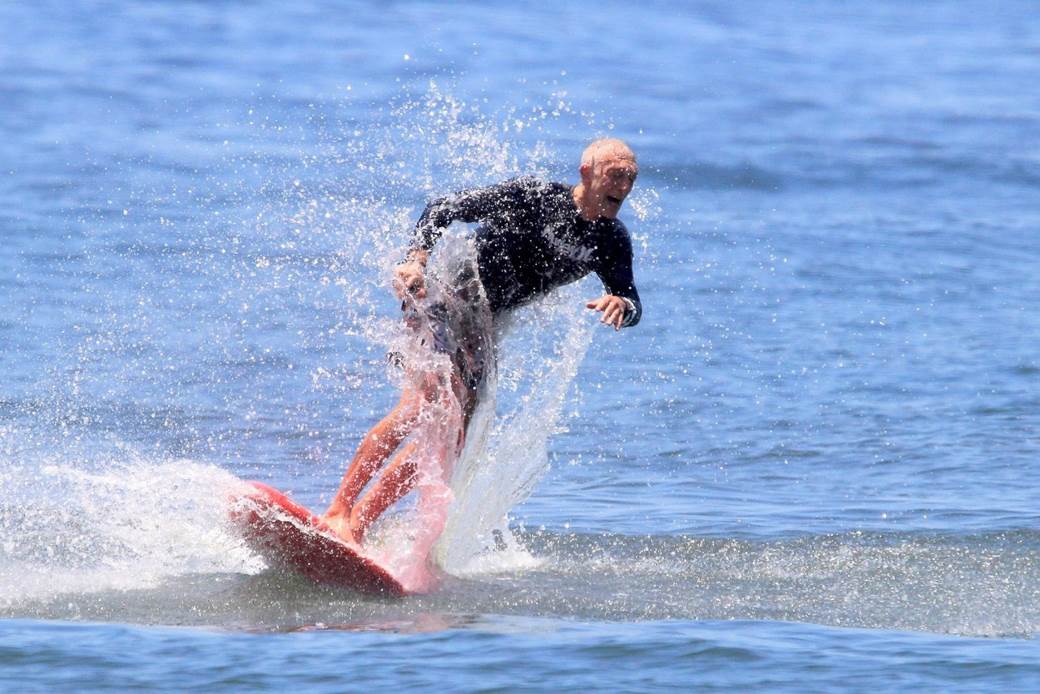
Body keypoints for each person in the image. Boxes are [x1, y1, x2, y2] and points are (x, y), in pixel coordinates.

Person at [322, 138, 642, 544]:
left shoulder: (611, 241)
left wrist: (622, 304)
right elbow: (444, 208)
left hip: (482, 325)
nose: (624, 186)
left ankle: (359, 526)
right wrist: (416, 261)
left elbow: (632, 301)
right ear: (586, 172)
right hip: (445, 295)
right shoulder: (535, 197)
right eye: (616, 174)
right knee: (422, 407)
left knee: (452, 437)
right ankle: (338, 511)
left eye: (631, 177)